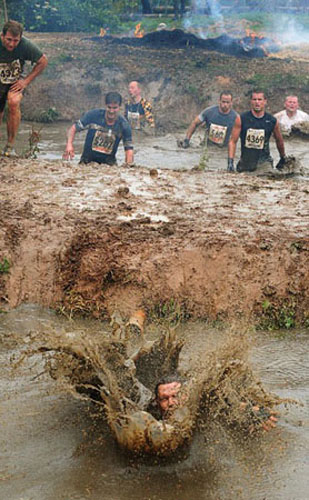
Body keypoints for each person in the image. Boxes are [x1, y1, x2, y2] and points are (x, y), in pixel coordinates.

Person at [0, 19, 48, 157]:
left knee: (13, 103)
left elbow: (43, 61)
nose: (12, 44)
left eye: (16, 40)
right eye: (8, 39)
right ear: (2, 36)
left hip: (15, 80)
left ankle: (10, 145)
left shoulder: (25, 45)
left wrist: (26, 81)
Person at [63, 91, 134, 166]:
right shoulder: (93, 116)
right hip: (87, 162)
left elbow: (129, 150)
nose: (111, 111)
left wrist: (128, 167)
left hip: (109, 165)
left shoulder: (124, 125)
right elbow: (73, 129)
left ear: (119, 107)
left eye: (115, 108)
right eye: (109, 107)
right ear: (105, 105)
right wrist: (69, 144)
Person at [227, 90, 286, 174]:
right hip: (245, 162)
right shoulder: (241, 119)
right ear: (251, 101)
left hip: (264, 162)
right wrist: (230, 162)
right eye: (254, 99)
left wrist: (283, 157)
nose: (257, 102)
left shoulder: (272, 121)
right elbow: (232, 141)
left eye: (260, 99)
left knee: (266, 175)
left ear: (265, 101)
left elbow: (279, 141)